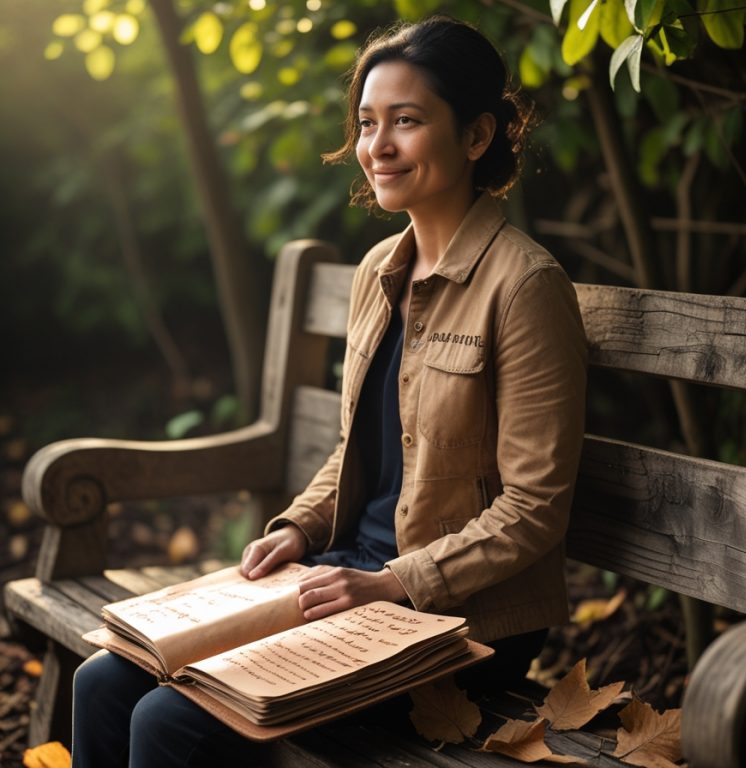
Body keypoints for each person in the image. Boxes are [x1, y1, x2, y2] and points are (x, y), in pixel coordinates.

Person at [71, 15, 587, 767]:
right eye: (368, 122)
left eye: (406, 122)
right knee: (102, 683)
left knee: (167, 723)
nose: (376, 147)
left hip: (460, 619)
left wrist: (390, 584)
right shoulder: (381, 270)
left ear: (477, 137)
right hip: (341, 577)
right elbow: (361, 446)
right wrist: (300, 530)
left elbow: (535, 508)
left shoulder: (526, 286)